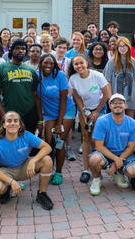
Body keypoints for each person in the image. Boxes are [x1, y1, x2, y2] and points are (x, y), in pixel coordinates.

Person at [0, 111, 54, 210]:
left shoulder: (26, 135)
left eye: (16, 121)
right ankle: (7, 189)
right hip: (5, 171)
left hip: (24, 167)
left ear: (20, 125)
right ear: (3, 125)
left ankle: (42, 194)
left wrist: (33, 160)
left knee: (47, 160)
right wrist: (12, 182)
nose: (12, 123)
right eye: (9, 121)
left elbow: (47, 147)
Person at [88, 93, 135, 195]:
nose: (117, 105)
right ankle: (96, 179)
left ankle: (118, 172)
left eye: (120, 103)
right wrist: (116, 159)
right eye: (114, 103)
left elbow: (131, 147)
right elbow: (98, 146)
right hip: (105, 153)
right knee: (94, 160)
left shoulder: (133, 124)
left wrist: (118, 160)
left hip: (124, 154)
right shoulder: (101, 121)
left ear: (125, 105)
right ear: (110, 106)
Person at [68, 54, 112, 183]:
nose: (79, 66)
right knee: (85, 137)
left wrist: (97, 111)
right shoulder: (73, 78)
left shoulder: (97, 75)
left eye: (81, 63)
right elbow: (77, 97)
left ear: (87, 62)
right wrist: (83, 113)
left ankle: (97, 168)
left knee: (96, 139)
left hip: (100, 108)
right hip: (85, 110)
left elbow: (106, 94)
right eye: (76, 64)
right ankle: (86, 170)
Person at [37, 54, 75, 185]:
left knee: (59, 141)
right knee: (48, 143)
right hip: (49, 113)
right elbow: (38, 101)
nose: (48, 66)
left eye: (51, 64)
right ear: (40, 63)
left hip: (66, 111)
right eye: (45, 63)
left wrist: (59, 123)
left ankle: (58, 172)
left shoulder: (59, 75)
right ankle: (48, 169)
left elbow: (64, 99)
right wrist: (40, 121)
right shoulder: (37, 76)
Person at [0, 39, 42, 133]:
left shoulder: (31, 71)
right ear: (11, 50)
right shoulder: (1, 68)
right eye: (17, 48)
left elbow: (36, 96)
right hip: (10, 113)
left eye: (23, 48)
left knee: (27, 143)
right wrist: (4, 116)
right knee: (11, 143)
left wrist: (40, 119)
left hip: (29, 113)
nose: (21, 51)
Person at [104, 37, 135, 118]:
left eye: (125, 46)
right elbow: (107, 82)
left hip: (132, 97)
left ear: (128, 47)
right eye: (120, 46)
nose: (122, 48)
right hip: (117, 98)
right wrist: (111, 99)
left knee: (130, 121)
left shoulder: (133, 62)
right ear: (117, 48)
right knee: (117, 121)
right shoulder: (111, 62)